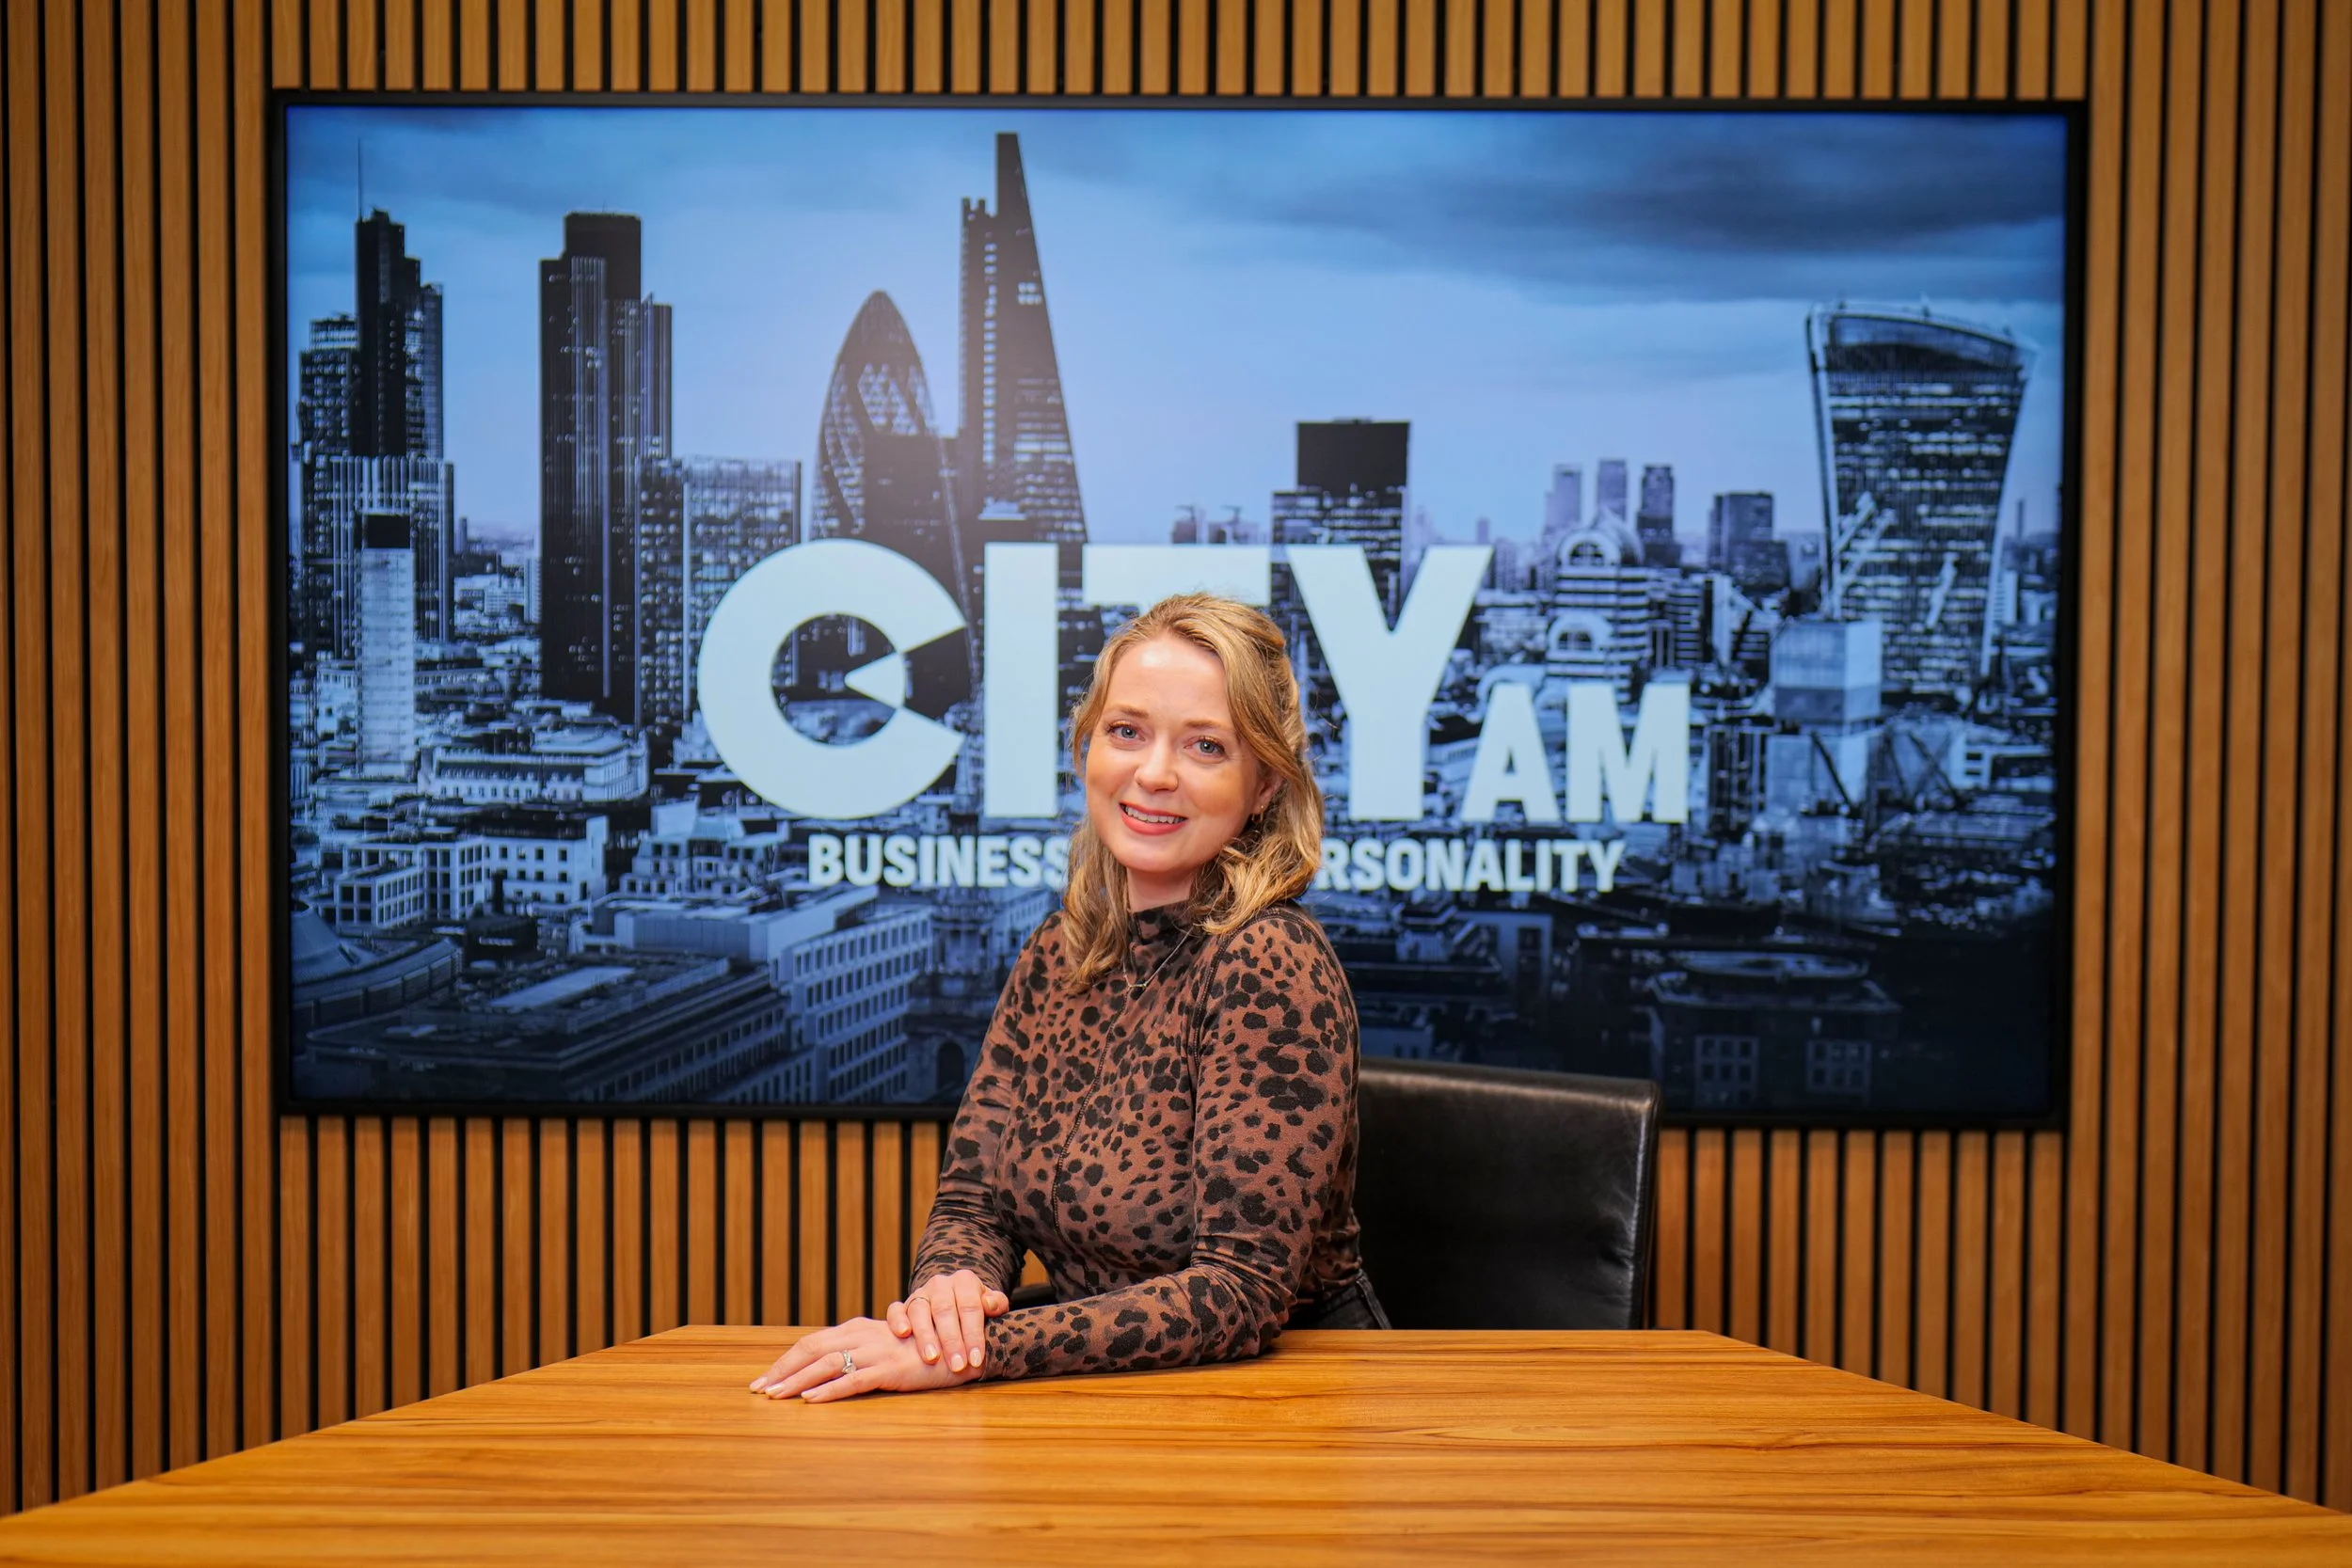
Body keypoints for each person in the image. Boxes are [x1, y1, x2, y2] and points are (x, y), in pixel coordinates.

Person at [751, 593, 1386, 1403]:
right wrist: (952, 1298)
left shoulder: (1269, 962)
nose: (1154, 771)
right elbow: (976, 1199)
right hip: (1101, 1390)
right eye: (1127, 731)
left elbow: (1238, 1293)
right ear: (1087, 747)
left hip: (1279, 1402)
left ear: (1263, 785)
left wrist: (978, 1351)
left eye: (1204, 745)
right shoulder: (1063, 947)